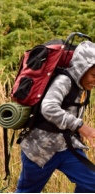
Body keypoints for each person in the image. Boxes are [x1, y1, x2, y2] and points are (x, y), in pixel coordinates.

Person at [15, 41, 95, 193]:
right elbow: (49, 108)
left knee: (92, 185)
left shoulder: (81, 86)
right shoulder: (64, 81)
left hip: (66, 147)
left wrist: (76, 133)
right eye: (94, 75)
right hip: (40, 150)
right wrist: (81, 127)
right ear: (81, 68)